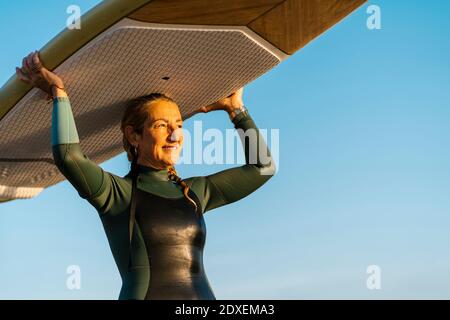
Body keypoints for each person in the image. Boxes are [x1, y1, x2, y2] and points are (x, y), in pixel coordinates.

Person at [16, 51, 276, 300]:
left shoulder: (195, 192)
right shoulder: (117, 194)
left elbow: (263, 168)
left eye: (179, 125)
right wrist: (58, 92)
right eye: (161, 125)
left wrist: (237, 111)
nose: (174, 135)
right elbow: (68, 155)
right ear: (134, 136)